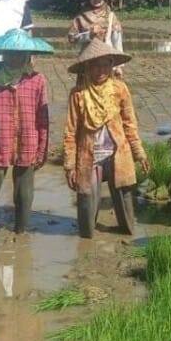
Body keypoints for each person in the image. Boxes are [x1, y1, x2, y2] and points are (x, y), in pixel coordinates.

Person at [62, 40, 150, 238]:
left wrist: (139, 153)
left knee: (124, 196)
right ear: (87, 67)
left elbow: (130, 124)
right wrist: (70, 166)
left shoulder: (120, 89)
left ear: (111, 66)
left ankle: (128, 233)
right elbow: (70, 131)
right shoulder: (78, 94)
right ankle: (86, 239)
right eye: (96, 64)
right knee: (86, 199)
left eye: (106, 64)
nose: (101, 70)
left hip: (117, 153)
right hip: (89, 155)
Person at [0, 29, 54, 235]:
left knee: (24, 194)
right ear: (3, 55)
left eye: (19, 53)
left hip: (28, 143)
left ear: (27, 55)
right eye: (10, 53)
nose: (14, 57)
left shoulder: (37, 80)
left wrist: (42, 149)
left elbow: (43, 118)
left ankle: (21, 231)